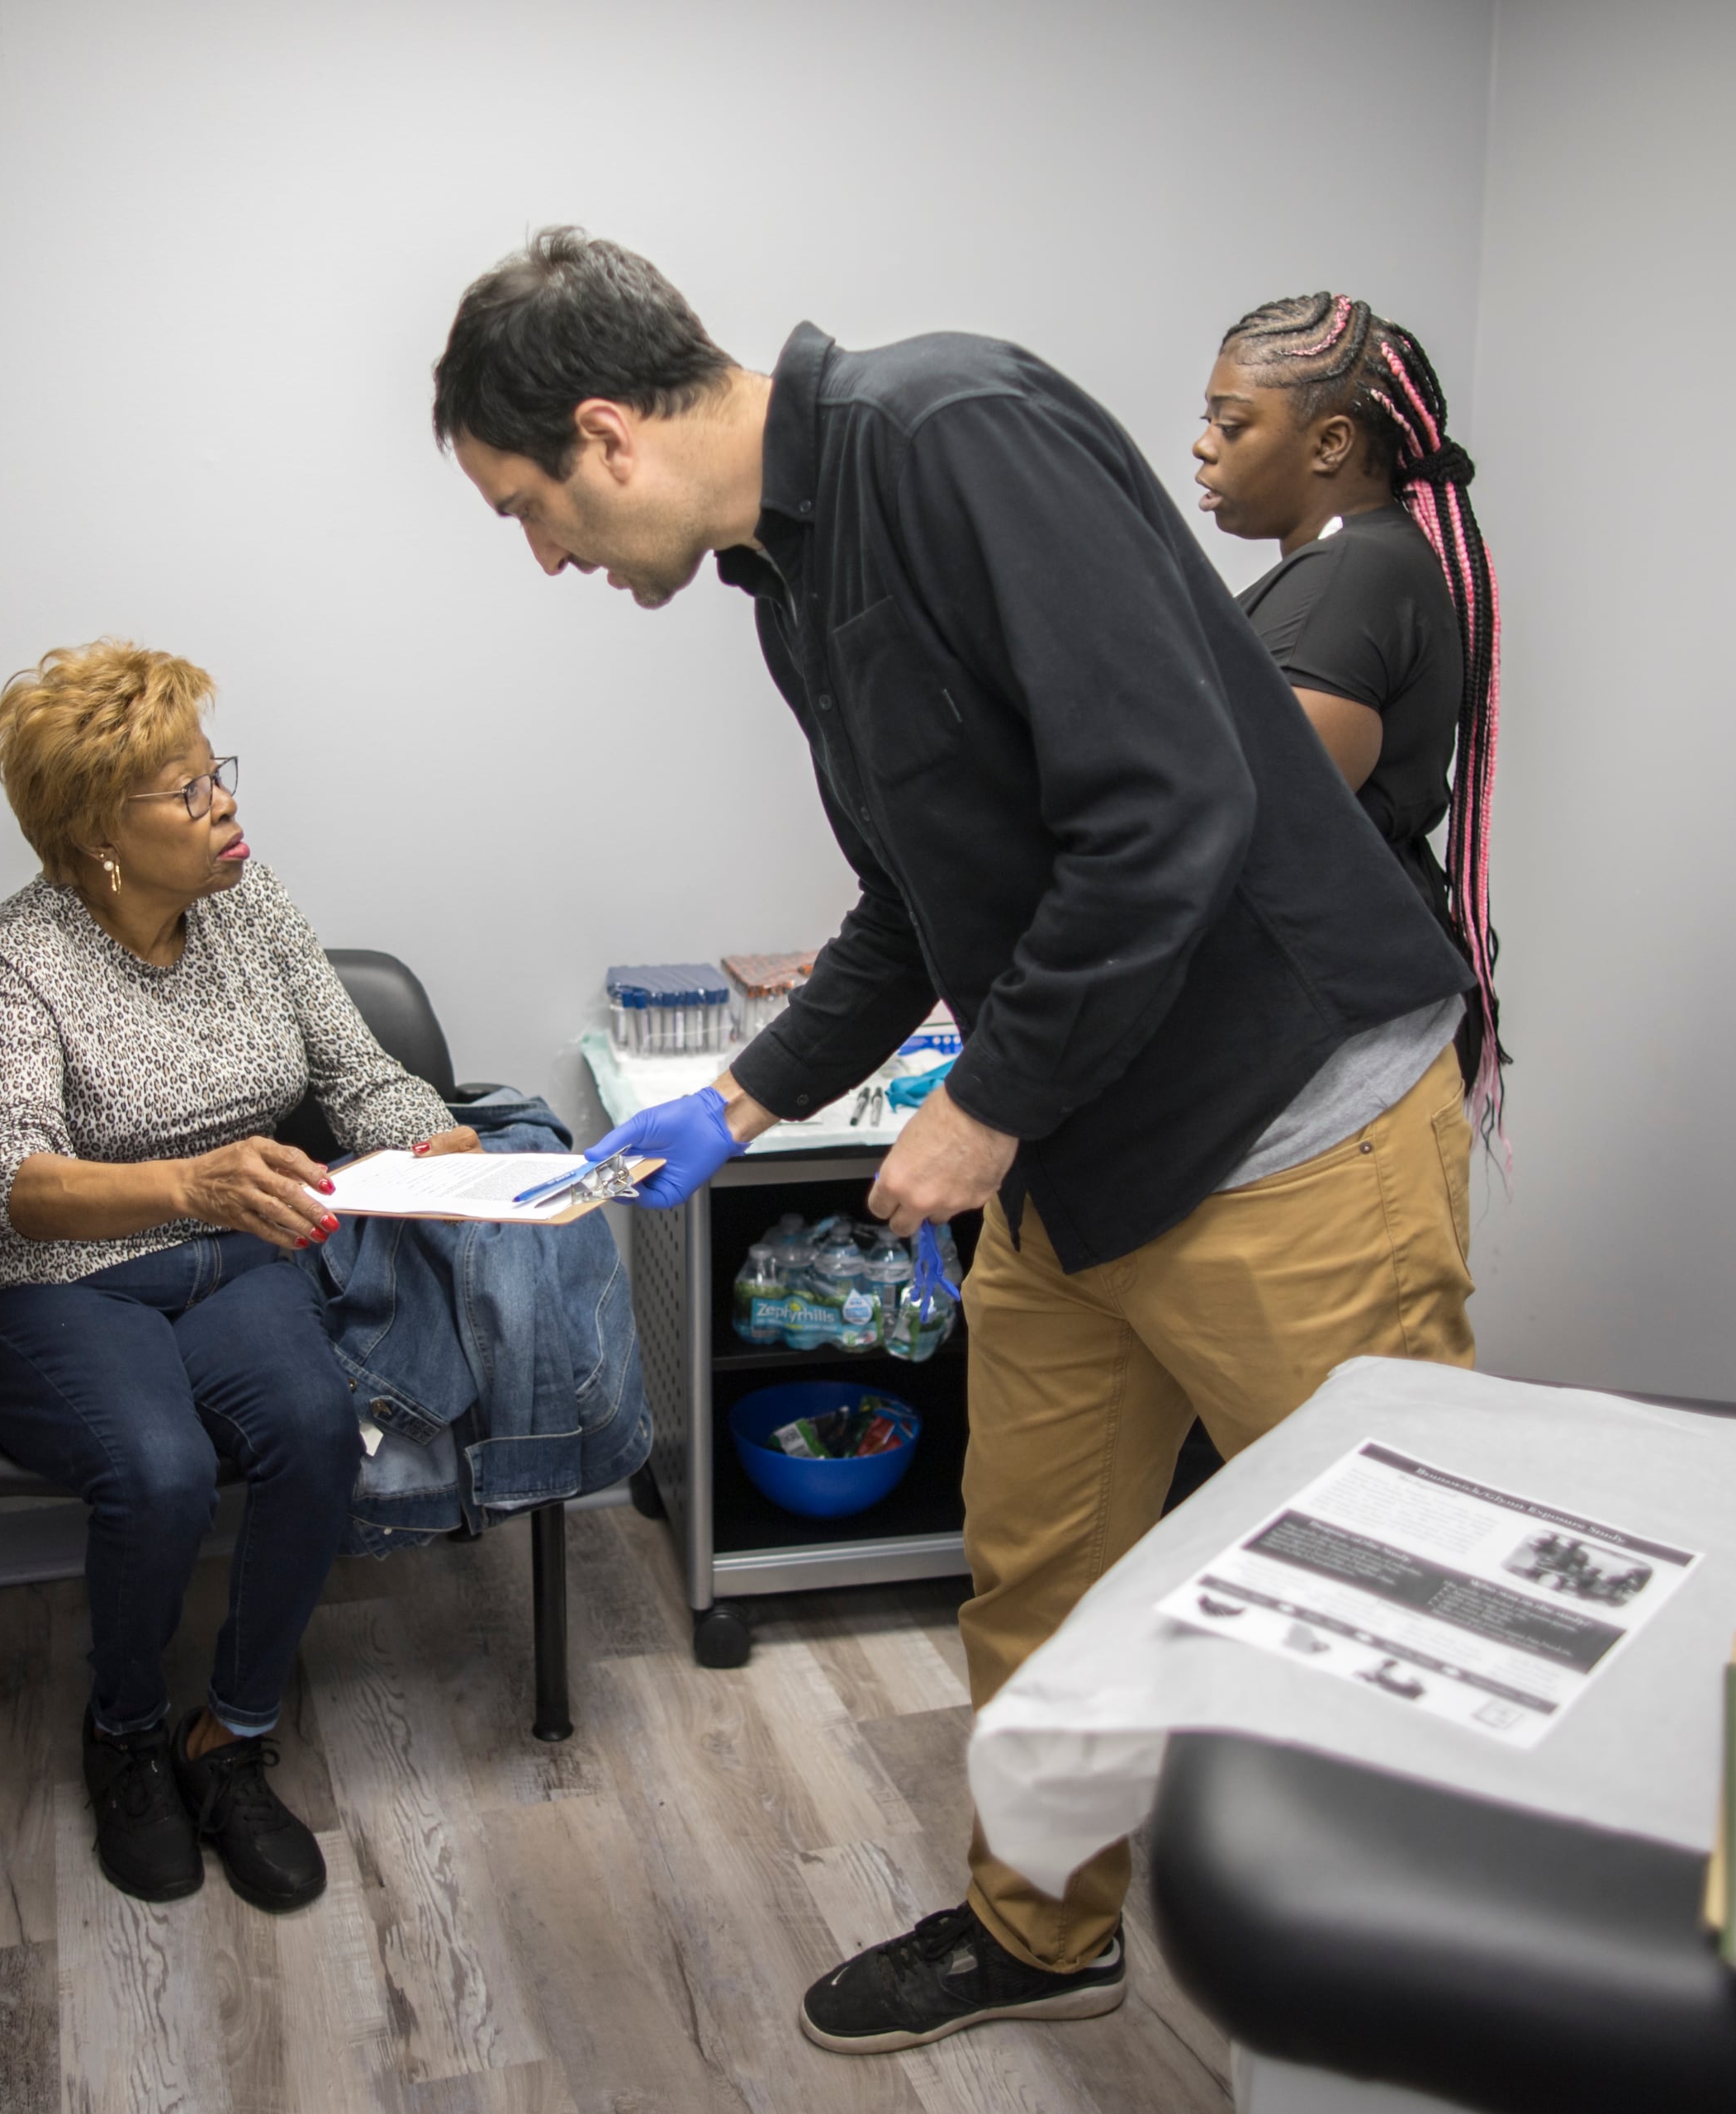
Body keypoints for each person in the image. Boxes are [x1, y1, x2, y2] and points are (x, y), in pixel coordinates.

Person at [432, 231, 1478, 2054]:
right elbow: (918, 897)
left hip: (1289, 1130)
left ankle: (1440, 2012)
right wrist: (743, 1099)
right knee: (1038, 1559)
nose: (544, 556)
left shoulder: (952, 431)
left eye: (529, 507)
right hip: (1092, 1151)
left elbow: (1173, 811)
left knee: (1382, 1602)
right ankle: (1041, 1927)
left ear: (605, 434)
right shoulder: (791, 578)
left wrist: (983, 1109)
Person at [0, 638, 480, 1914]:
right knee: (161, 1471)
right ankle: (123, 1733)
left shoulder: (254, 905)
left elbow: (357, 1074)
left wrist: (430, 1134)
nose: (224, 804)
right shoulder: (20, 959)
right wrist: (189, 1184)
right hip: (51, 1281)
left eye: (213, 773)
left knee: (308, 1432)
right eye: (184, 791)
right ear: (96, 835)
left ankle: (227, 1739)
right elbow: (1, 1174)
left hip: (238, 1260)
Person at [1194, 292, 1505, 1114]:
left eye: (1232, 424)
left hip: (1342, 1057)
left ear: (1331, 442)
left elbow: (1246, 818)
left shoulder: (1347, 576)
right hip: (1352, 1030)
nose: (1203, 447)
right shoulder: (1363, 564)